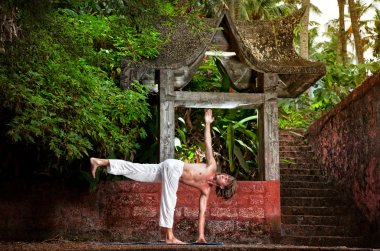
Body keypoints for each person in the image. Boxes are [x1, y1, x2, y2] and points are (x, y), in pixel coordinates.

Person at [90, 109, 237, 244]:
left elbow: (202, 214)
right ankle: (169, 236)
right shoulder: (212, 167)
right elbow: (208, 144)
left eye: (226, 179)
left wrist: (201, 236)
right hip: (174, 167)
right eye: (226, 175)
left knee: (139, 171)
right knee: (170, 199)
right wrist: (207, 123)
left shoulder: (206, 191)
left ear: (223, 187)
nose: (224, 176)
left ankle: (100, 161)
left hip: (169, 172)